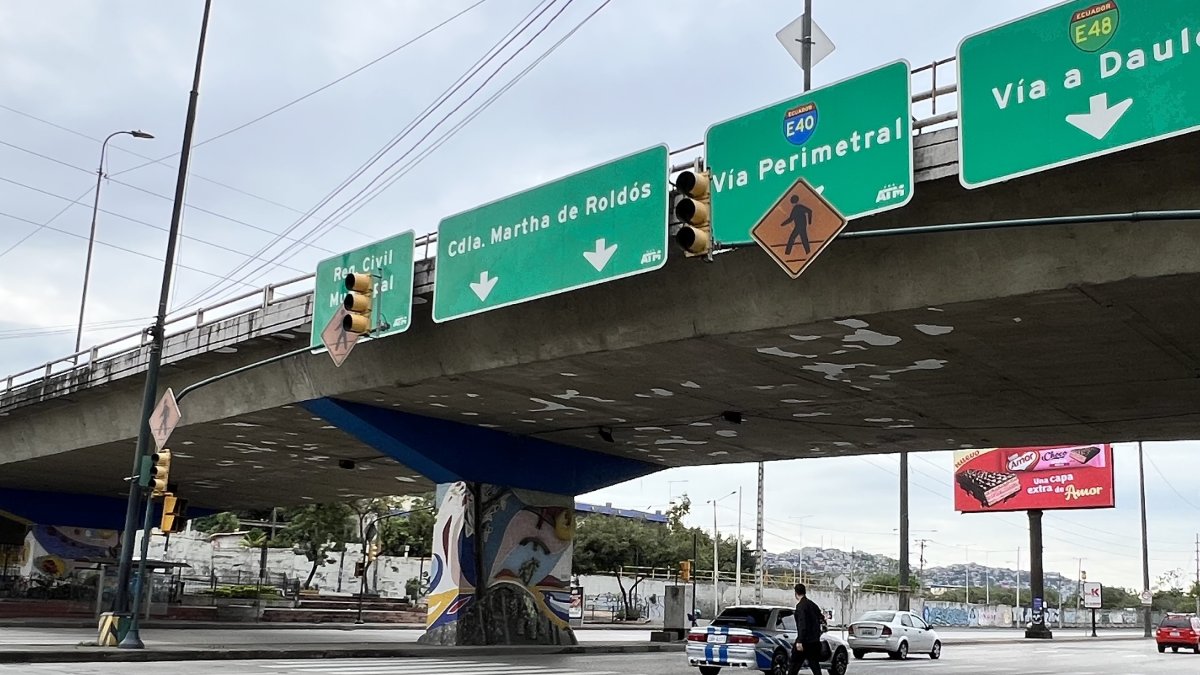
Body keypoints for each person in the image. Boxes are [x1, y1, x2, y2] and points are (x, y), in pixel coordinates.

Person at [789, 583, 826, 675]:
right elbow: (822, 619)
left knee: (794, 664)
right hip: (814, 641)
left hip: (805, 641)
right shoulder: (813, 605)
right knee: (814, 665)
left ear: (796, 593)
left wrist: (800, 641)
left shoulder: (801, 606)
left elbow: (802, 624)